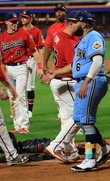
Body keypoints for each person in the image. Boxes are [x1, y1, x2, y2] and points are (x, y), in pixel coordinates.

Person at [51, 11, 110, 172]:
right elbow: (81, 64)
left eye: (75, 22)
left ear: (84, 24)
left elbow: (98, 60)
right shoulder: (83, 39)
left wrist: (88, 81)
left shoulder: (93, 37)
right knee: (79, 119)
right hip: (87, 81)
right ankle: (105, 148)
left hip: (88, 83)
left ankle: (89, 160)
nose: (72, 25)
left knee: (87, 121)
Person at [41, 11, 84, 163]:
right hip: (66, 82)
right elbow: (74, 67)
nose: (82, 26)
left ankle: (71, 152)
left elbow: (47, 48)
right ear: (72, 24)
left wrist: (45, 65)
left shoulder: (57, 34)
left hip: (57, 82)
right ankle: (56, 145)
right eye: (79, 24)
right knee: (78, 117)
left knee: (67, 119)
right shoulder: (70, 43)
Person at [0, 12, 43, 134]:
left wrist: (39, 66)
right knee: (13, 97)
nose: (15, 24)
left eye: (15, 21)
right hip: (7, 68)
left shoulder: (24, 34)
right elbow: (0, 57)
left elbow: (34, 50)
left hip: (21, 67)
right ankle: (17, 125)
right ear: (6, 22)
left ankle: (24, 126)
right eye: (12, 22)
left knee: (20, 95)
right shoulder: (1, 38)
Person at [43, 4, 68, 122]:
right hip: (57, 68)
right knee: (58, 96)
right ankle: (63, 115)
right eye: (57, 11)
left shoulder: (70, 26)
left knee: (72, 99)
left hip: (70, 68)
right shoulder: (52, 28)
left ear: (66, 12)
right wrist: (43, 64)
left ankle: (73, 122)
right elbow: (47, 47)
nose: (58, 13)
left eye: (61, 11)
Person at [19, 10, 44, 118]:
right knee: (20, 87)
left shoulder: (36, 31)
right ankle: (21, 109)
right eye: (22, 17)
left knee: (30, 86)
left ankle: (29, 111)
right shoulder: (19, 30)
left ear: (31, 18)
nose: (22, 19)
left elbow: (41, 48)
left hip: (31, 59)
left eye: (25, 17)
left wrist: (41, 65)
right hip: (20, 60)